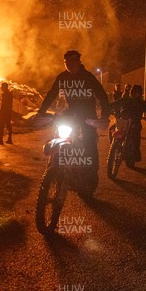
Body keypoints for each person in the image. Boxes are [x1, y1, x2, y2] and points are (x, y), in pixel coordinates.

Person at [37, 50, 110, 198]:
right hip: (69, 115)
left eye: (72, 62)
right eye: (66, 62)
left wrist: (104, 116)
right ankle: (53, 169)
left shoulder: (88, 77)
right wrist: (41, 112)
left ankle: (90, 175)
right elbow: (52, 93)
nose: (69, 65)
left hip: (87, 116)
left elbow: (102, 95)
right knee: (58, 137)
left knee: (89, 144)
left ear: (79, 62)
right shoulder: (62, 77)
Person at [110, 85, 146, 166]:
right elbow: (113, 105)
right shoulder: (127, 100)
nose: (134, 93)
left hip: (134, 124)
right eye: (133, 92)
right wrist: (109, 110)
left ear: (139, 93)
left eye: (136, 92)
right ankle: (114, 148)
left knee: (135, 139)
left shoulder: (141, 103)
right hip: (124, 122)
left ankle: (132, 155)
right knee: (112, 129)